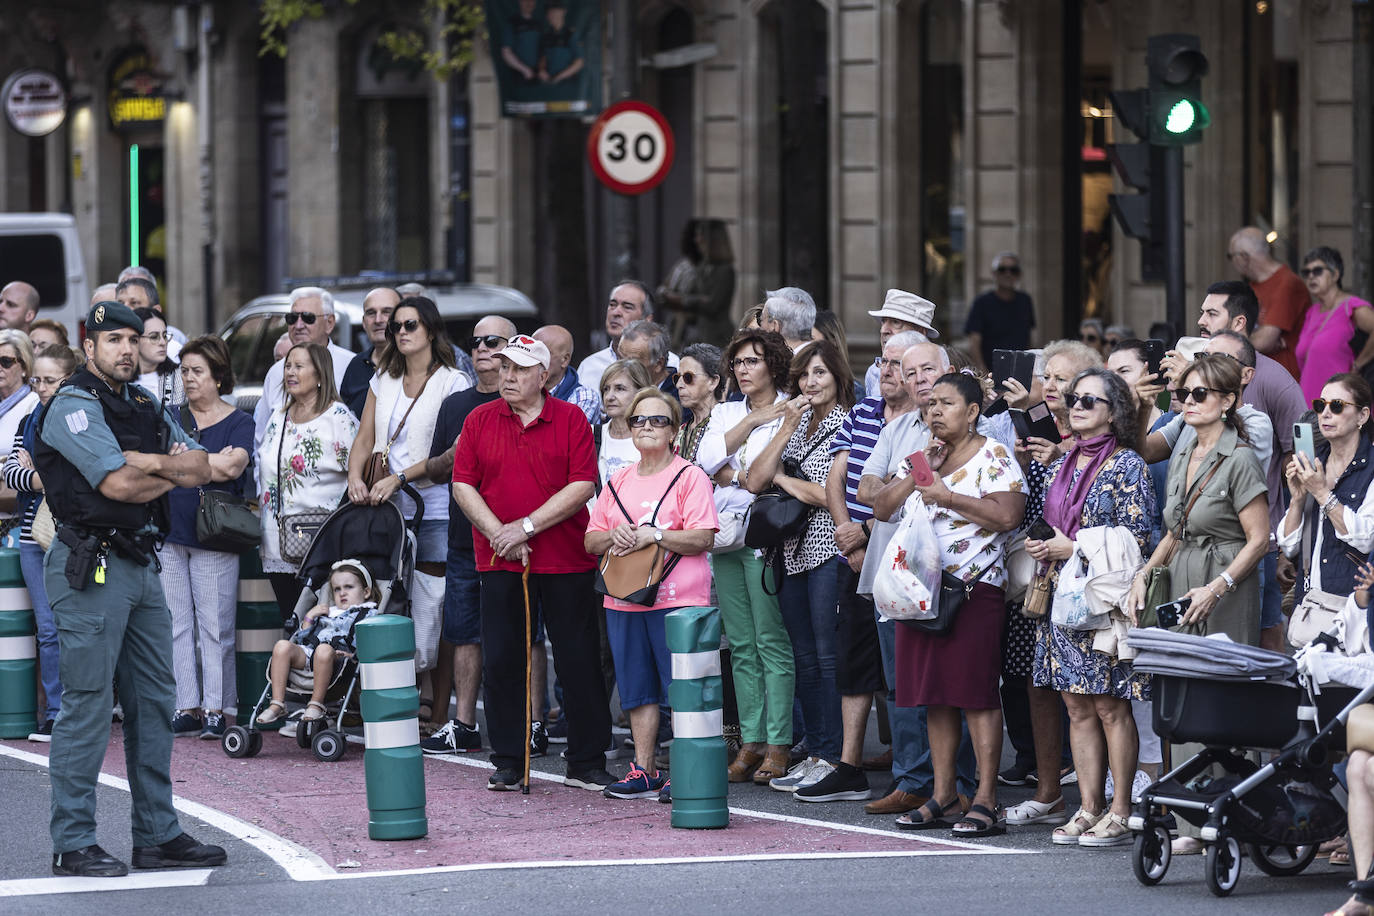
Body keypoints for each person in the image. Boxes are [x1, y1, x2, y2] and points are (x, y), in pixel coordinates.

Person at [35, 301, 224, 877]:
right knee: (89, 705)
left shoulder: (144, 403)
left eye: (131, 339)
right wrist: (155, 469)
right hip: (90, 564)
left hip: (141, 562)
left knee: (155, 704)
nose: (124, 348)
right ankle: (73, 842)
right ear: (87, 347)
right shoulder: (71, 404)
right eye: (111, 339)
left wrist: (150, 463)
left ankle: (156, 834)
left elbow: (200, 467)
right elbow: (114, 483)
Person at [451, 334, 615, 791]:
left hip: (565, 558)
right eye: (504, 368)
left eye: (520, 369)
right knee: (503, 659)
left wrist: (523, 528)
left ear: (544, 376)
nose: (508, 376)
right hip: (500, 560)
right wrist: (499, 535)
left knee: (578, 658)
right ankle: (507, 758)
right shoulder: (480, 418)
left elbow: (583, 484)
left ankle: (586, 759)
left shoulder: (571, 417)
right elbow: (463, 484)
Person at [1127, 353, 1271, 856]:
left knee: (1223, 692)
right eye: (1182, 394)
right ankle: (1192, 818)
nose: (1187, 402)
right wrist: (1145, 572)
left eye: (1200, 394)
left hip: (1224, 575)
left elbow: (1259, 540)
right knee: (1185, 689)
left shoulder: (1240, 456)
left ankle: (1234, 811)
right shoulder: (1185, 443)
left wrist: (1219, 587)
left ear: (1228, 401)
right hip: (1184, 566)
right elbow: (1175, 527)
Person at [876, 372, 1027, 835]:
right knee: (933, 695)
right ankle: (943, 795)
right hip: (922, 592)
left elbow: (1007, 515)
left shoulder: (994, 455)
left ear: (973, 410)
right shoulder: (923, 457)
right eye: (930, 405)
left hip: (974, 588)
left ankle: (984, 798)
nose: (934, 411)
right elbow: (882, 508)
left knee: (976, 694)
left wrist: (948, 495)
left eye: (945, 403)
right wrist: (920, 472)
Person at [1022, 368, 1154, 847]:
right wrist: (1048, 548)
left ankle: (1120, 810)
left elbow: (1136, 540)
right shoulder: (1067, 460)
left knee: (1109, 707)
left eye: (1089, 401)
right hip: (1061, 596)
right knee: (1076, 708)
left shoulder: (1127, 465)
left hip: (1102, 600)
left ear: (1114, 412)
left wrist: (1071, 546)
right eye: (1074, 398)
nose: (1076, 405)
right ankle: (1088, 807)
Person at [794, 330, 923, 805]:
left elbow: (900, 494)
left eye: (898, 364)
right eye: (884, 362)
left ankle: (914, 772)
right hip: (852, 550)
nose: (886, 371)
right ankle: (849, 765)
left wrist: (864, 533)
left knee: (900, 665)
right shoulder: (865, 412)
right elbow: (838, 476)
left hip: (902, 555)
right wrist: (847, 531)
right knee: (853, 657)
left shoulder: (925, 421)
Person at [859, 341, 980, 813]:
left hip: (958, 576)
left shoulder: (979, 429)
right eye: (909, 373)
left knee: (957, 685)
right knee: (903, 684)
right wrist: (918, 467)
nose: (919, 379)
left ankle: (963, 786)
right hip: (896, 576)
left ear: (949, 370)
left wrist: (900, 477)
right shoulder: (899, 427)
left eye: (929, 369)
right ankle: (912, 780)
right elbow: (873, 494)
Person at [587, 389, 718, 800]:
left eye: (657, 420)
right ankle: (644, 770)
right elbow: (591, 541)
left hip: (679, 600)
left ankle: (688, 770)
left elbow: (703, 537)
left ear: (676, 429)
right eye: (639, 419)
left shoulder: (690, 475)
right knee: (637, 688)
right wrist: (615, 534)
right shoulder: (618, 479)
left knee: (682, 689)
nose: (645, 426)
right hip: (624, 597)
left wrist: (656, 533)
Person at [745, 341, 855, 792]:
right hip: (790, 550)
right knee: (803, 656)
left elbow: (830, 495)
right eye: (805, 375)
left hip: (828, 548)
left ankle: (834, 756)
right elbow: (754, 479)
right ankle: (815, 750)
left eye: (820, 374)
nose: (810, 383)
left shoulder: (847, 421)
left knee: (827, 657)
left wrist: (785, 481)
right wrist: (785, 425)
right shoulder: (798, 421)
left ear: (837, 377)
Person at [347, 297, 468, 677]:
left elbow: (452, 452)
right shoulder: (383, 378)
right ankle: (397, 693)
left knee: (433, 606)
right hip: (383, 509)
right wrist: (354, 476)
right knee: (387, 600)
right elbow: (365, 437)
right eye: (395, 326)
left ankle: (437, 706)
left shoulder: (453, 381)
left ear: (430, 329)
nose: (400, 332)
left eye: (410, 325)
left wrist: (400, 477)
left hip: (432, 507)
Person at [696, 328, 795, 785]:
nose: (743, 369)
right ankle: (751, 741)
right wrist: (754, 423)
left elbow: (762, 475)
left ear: (773, 364)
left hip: (763, 536)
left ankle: (778, 744)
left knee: (770, 641)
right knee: (739, 644)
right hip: (724, 537)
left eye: (752, 361)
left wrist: (733, 476)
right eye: (737, 363)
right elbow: (706, 461)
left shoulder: (792, 408)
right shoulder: (729, 411)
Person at [420, 316, 516, 753]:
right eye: (475, 342)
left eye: (492, 341)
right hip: (464, 537)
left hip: (517, 537)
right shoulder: (456, 404)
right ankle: (464, 723)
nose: (480, 349)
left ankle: (527, 722)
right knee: (463, 632)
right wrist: (454, 453)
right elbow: (437, 470)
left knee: (521, 634)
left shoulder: (525, 400)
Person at [1193, 280, 1307, 651]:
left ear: (1238, 323)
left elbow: (1301, 453)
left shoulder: (1275, 380)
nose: (1201, 320)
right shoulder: (1193, 381)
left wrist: (1288, 541)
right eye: (1202, 312)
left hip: (1262, 540)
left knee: (1264, 636)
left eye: (1212, 313)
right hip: (1201, 543)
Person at [158, 337, 253, 742]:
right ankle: (187, 706)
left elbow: (233, 468)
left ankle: (217, 708)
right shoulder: (168, 416)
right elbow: (158, 464)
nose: (188, 378)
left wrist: (187, 460)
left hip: (216, 535)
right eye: (184, 370)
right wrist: (203, 463)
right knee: (176, 624)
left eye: (197, 371)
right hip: (169, 530)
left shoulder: (239, 421)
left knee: (215, 626)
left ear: (218, 376)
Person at [6, 344, 80, 741]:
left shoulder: (83, 419)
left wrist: (40, 472)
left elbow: (80, 473)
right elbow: (13, 475)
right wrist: (40, 477)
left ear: (70, 380)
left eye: (50, 380)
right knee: (48, 628)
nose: (42, 388)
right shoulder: (29, 421)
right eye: (37, 380)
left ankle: (82, 710)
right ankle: (55, 712)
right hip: (35, 536)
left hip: (76, 536)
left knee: (79, 626)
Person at [256, 343, 358, 618]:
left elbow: (358, 473)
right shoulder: (278, 416)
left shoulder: (337, 417)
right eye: (288, 366)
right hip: (277, 544)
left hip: (320, 542)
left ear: (320, 373)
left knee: (321, 625)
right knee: (291, 620)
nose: (290, 372)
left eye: (299, 366)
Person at [1277, 373, 1374, 615]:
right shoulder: (1313, 462)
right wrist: (1298, 499)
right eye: (1320, 405)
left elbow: (1366, 538)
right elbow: (1289, 546)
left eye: (1337, 406)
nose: (1325, 414)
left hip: (1352, 607)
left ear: (1362, 415)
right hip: (1311, 603)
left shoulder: (1371, 467)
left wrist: (1321, 492)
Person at [257, 560, 380, 727]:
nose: (342, 593)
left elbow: (369, 644)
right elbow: (303, 638)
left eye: (348, 587)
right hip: (310, 654)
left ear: (366, 592)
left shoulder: (368, 613)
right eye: (337, 589)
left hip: (338, 658)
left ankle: (316, 704)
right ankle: (278, 703)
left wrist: (353, 655)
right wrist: (310, 616)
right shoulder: (328, 612)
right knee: (282, 645)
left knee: (323, 650)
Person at [253, 287, 356, 447]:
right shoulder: (275, 372)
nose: (298, 325)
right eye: (292, 318)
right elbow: (261, 440)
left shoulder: (352, 366)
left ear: (329, 323)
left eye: (308, 318)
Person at [1228, 226, 1308, 378]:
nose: (1232, 262)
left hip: (1282, 380)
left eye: (1231, 256)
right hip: (1258, 376)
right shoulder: (1252, 286)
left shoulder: (1287, 283)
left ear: (1244, 257)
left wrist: (1235, 340)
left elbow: (1265, 341)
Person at [1296, 246, 1374, 402]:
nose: (1311, 277)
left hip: (1341, 404)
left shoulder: (1351, 306)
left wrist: (1358, 365)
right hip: (1310, 403)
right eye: (1306, 273)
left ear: (1335, 274)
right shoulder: (1312, 312)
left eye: (1317, 271)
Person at [577, 281, 678, 397]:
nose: (616, 312)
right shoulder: (589, 366)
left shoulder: (673, 365)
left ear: (647, 319)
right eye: (612, 305)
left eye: (627, 307)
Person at [663, 219, 736, 349]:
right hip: (697, 334)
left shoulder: (725, 271)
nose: (697, 240)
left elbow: (712, 305)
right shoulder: (702, 267)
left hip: (716, 336)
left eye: (700, 235)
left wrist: (684, 300)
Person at [964, 252, 1035, 372]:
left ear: (1019, 275)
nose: (1008, 274)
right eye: (1002, 269)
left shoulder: (1025, 300)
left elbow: (1029, 338)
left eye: (1013, 270)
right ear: (994, 273)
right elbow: (974, 341)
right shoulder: (982, 302)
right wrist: (982, 371)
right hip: (991, 372)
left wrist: (1030, 367)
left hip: (1019, 370)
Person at [339, 287, 401, 419]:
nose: (378, 320)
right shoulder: (356, 365)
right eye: (371, 313)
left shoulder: (413, 364)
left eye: (386, 312)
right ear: (363, 322)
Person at [864, 289, 937, 396]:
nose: (884, 330)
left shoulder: (935, 375)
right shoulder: (874, 372)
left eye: (895, 322)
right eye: (883, 321)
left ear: (920, 332)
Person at [596, 359, 653, 488]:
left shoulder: (653, 437)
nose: (609, 396)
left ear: (640, 393)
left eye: (619, 389)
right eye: (606, 389)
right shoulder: (591, 434)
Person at [535, 324, 600, 424]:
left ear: (565, 360)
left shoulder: (584, 397)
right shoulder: (519, 387)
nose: (535, 358)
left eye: (543, 353)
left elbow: (563, 435)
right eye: (531, 352)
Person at [674, 343, 723, 462]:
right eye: (677, 378)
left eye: (688, 377)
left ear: (713, 382)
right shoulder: (679, 431)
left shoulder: (728, 424)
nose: (679, 385)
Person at [132, 307, 184, 410]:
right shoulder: (119, 378)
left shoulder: (182, 376)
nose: (163, 342)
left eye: (165, 336)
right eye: (154, 337)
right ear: (134, 339)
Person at [616, 320, 678, 402]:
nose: (621, 368)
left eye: (632, 363)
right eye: (619, 358)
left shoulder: (681, 398)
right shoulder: (615, 390)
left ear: (658, 364)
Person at [759, 287, 817, 352]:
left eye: (761, 319)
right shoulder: (823, 356)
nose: (759, 328)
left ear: (774, 326)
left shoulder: (791, 360)